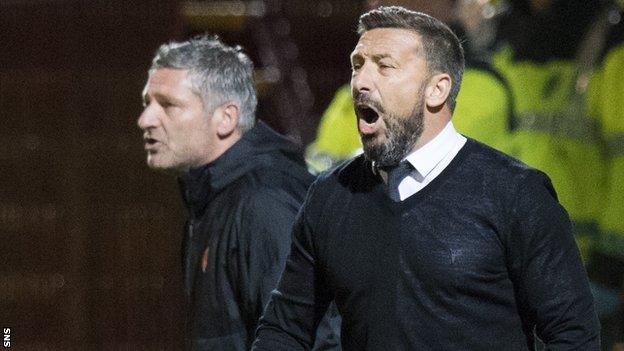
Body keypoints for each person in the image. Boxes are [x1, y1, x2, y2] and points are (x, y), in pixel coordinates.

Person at [253, 7, 599, 350]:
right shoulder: (331, 196)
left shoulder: (515, 194)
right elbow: (284, 329)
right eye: (357, 65)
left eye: (385, 66)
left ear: (437, 90)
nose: (360, 81)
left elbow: (573, 335)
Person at [137, 35, 340, 350]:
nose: (146, 120)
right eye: (147, 103)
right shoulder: (211, 197)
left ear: (226, 117)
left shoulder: (265, 203)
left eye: (168, 105)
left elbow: (314, 339)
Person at [305, 0, 514, 174]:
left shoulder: (480, 87)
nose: (375, 4)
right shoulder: (349, 94)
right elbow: (316, 170)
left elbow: (417, 173)